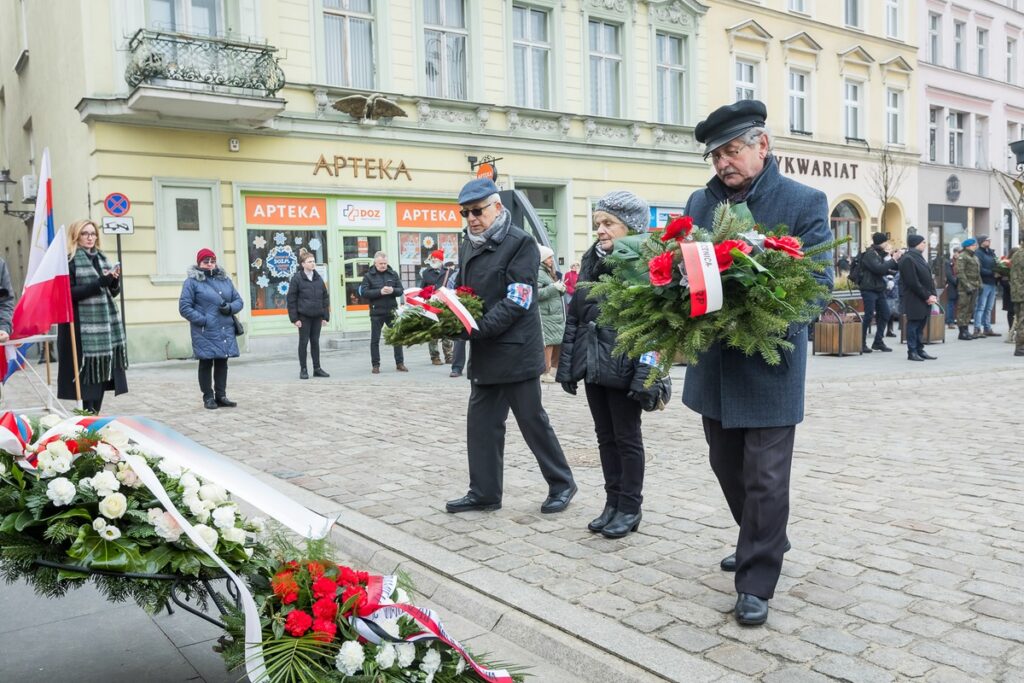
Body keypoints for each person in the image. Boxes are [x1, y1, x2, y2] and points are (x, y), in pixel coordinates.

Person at [682, 99, 833, 626]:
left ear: (762, 146)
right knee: (726, 465)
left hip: (770, 366)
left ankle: (756, 580)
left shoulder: (803, 201)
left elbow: (817, 285)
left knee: (765, 478)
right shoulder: (700, 205)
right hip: (715, 369)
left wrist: (764, 312)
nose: (724, 162)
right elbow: (684, 272)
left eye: (733, 150)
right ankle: (762, 536)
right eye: (717, 155)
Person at [446, 177, 576, 515]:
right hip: (487, 350)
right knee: (481, 426)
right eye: (466, 213)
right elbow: (465, 293)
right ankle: (485, 492)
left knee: (532, 422)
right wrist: (452, 315)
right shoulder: (469, 244)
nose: (472, 218)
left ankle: (562, 483)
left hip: (516, 349)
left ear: (497, 207)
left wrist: (479, 327)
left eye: (477, 211)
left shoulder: (520, 243)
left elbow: (520, 298)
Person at [557, 190, 668, 539]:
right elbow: (575, 316)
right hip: (594, 365)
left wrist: (646, 376)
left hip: (624, 365)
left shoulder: (643, 263)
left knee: (627, 438)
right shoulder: (591, 258)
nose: (601, 230)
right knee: (605, 438)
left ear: (630, 227)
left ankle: (630, 506)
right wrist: (568, 367)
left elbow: (656, 325)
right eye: (597, 224)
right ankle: (612, 501)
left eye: (609, 223)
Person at [56, 220, 129, 414]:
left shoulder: (103, 259)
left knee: (102, 376)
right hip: (80, 327)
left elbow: (111, 293)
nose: (90, 237)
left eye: (93, 233)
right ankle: (86, 416)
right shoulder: (69, 261)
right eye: (85, 234)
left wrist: (114, 282)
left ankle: (94, 414)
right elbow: (68, 294)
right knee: (87, 376)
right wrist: (99, 282)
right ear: (76, 236)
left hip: (104, 328)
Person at [178, 248, 243, 409]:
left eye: (212, 261)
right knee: (206, 363)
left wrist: (229, 308)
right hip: (205, 330)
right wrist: (203, 320)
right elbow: (184, 307)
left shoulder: (225, 280)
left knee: (222, 362)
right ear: (199, 263)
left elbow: (239, 301)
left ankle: (221, 396)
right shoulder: (191, 282)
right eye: (205, 261)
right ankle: (208, 397)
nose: (209, 264)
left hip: (224, 328)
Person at [287, 248, 330, 379]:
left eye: (313, 261)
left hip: (317, 315)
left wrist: (325, 316)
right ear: (303, 264)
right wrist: (295, 319)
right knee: (304, 342)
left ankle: (317, 368)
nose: (313, 264)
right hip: (304, 316)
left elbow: (325, 297)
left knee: (315, 342)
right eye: (309, 261)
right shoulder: (297, 279)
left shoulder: (318, 278)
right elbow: (291, 299)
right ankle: (303, 369)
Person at [360, 251, 406, 374]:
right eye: (380, 263)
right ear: (375, 263)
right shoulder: (368, 276)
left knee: (397, 338)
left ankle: (400, 363)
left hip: (391, 310)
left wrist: (392, 290)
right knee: (375, 340)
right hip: (376, 311)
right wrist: (380, 292)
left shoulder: (393, 274)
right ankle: (375, 365)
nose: (383, 266)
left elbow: (401, 290)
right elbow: (364, 293)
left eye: (385, 263)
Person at [899, 235, 938, 362]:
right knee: (914, 324)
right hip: (914, 297)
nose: (925, 244)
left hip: (924, 297)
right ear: (916, 243)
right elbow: (913, 282)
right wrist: (927, 296)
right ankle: (912, 351)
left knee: (921, 325)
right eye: (923, 242)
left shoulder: (919, 257)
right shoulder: (908, 259)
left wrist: (933, 294)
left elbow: (928, 278)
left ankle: (920, 349)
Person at [859, 233, 899, 353]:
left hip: (878, 288)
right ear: (881, 242)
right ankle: (861, 342)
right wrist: (893, 259)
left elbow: (884, 269)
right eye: (885, 242)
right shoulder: (870, 254)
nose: (887, 244)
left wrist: (894, 264)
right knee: (868, 315)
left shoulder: (879, 254)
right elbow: (879, 269)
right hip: (868, 289)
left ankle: (878, 342)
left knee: (885, 313)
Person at [418, 249, 454, 366]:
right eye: (432, 258)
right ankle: (435, 357)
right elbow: (421, 288)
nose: (434, 260)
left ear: (441, 260)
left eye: (436, 258)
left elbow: (453, 287)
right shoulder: (426, 272)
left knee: (447, 330)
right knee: (433, 331)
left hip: (445, 304)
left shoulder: (449, 272)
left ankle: (449, 355)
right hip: (431, 305)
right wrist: (425, 294)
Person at [537, 245, 566, 383]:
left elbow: (553, 290)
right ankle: (545, 371)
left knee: (556, 341)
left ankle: (554, 368)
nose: (552, 260)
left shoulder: (549, 272)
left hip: (555, 313)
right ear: (542, 259)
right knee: (548, 343)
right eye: (549, 257)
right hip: (546, 313)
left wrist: (561, 288)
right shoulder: (538, 273)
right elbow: (536, 294)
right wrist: (553, 288)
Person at [955, 238, 982, 340]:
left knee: (970, 309)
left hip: (974, 286)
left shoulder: (974, 257)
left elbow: (977, 273)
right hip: (965, 288)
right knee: (963, 308)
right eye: (974, 245)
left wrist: (980, 284)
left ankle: (966, 330)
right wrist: (967, 286)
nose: (975, 246)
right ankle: (962, 331)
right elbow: (960, 273)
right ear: (968, 246)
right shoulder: (963, 256)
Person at [973, 235, 999, 337]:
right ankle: (977, 328)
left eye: (989, 240)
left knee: (989, 308)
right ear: (981, 242)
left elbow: (996, 264)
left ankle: (987, 328)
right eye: (987, 240)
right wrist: (992, 273)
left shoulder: (991, 252)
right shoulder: (978, 253)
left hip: (993, 283)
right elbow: (979, 269)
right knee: (980, 307)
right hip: (984, 282)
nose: (989, 241)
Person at [1011, 243, 1024, 357]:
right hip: (1022, 293)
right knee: (1022, 322)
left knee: (1021, 320)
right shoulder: (1021, 255)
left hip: (1018, 293)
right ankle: (1020, 348)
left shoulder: (1017, 254)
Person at [944, 246, 961, 329]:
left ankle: (959, 321)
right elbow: (949, 275)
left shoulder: (962, 262)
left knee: (960, 304)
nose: (956, 254)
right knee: (951, 304)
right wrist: (957, 282)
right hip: (952, 286)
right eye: (955, 252)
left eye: (958, 252)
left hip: (961, 286)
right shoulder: (949, 262)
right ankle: (950, 321)